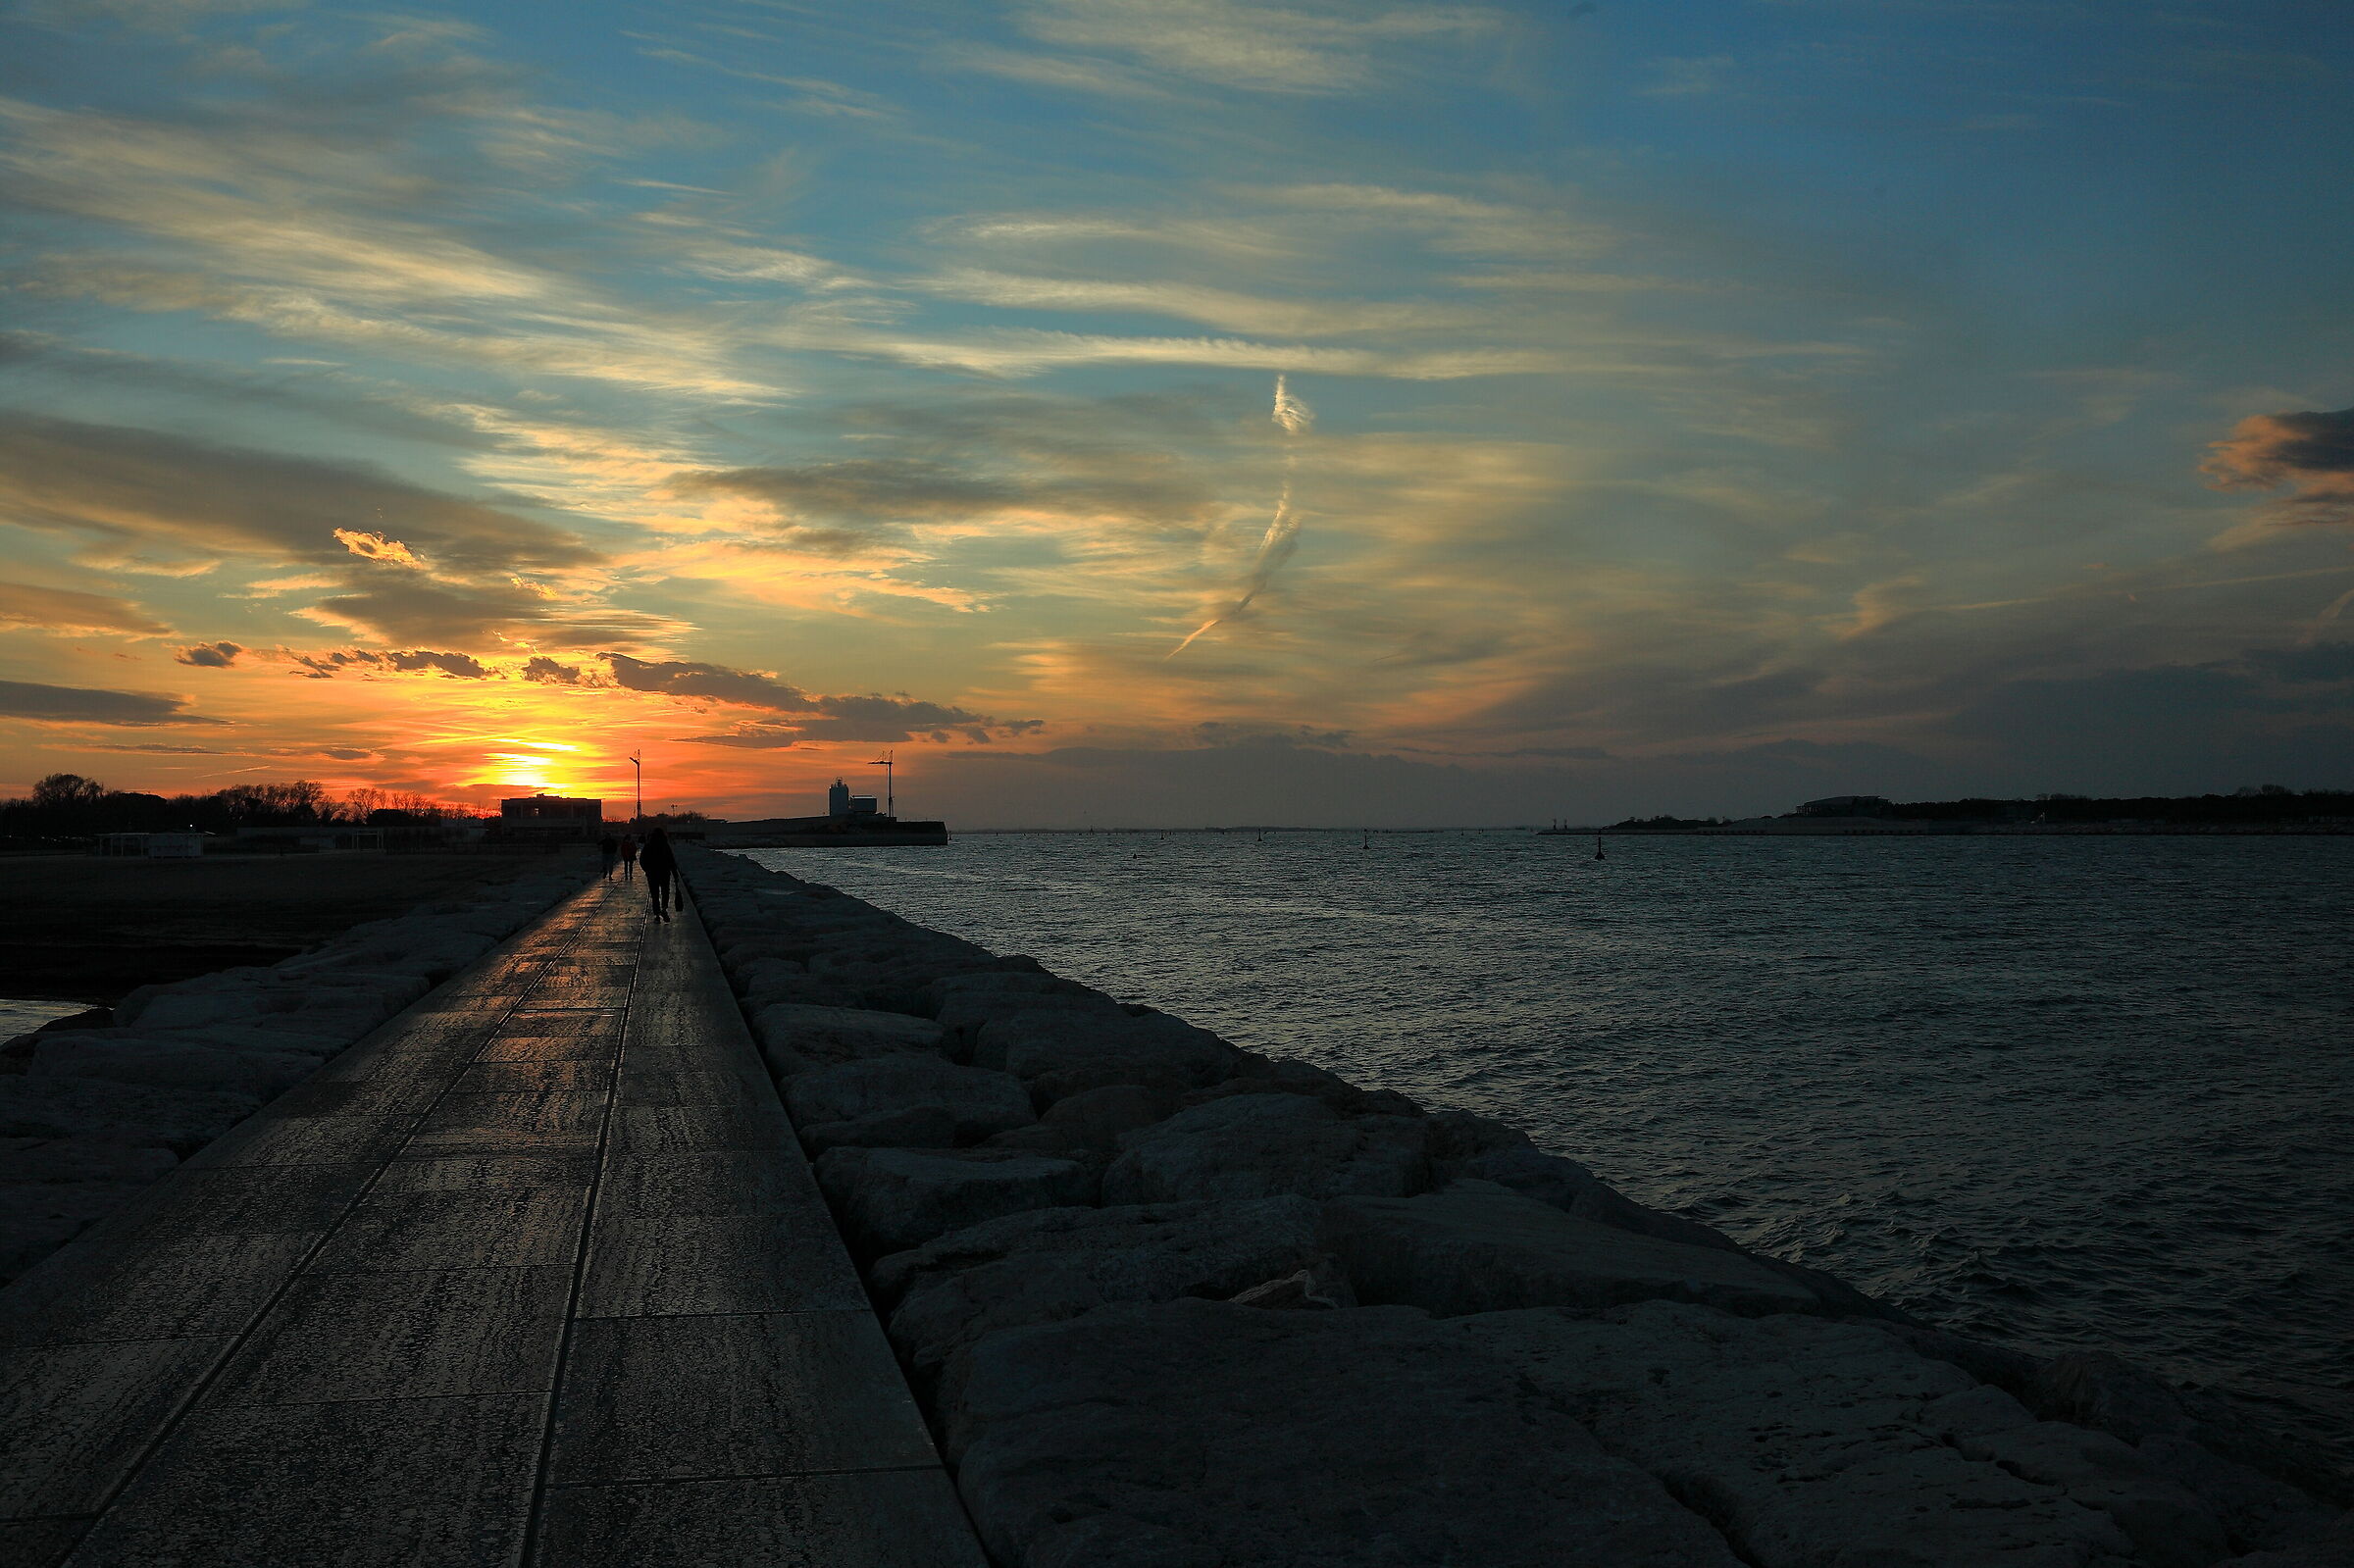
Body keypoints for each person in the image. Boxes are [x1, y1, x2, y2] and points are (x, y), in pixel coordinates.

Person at [640, 827, 678, 922]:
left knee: (655, 894)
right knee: (665, 892)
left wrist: (647, 870)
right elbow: (671, 860)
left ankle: (657, 915)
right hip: (664, 872)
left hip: (652, 874)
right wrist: (674, 873)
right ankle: (664, 909)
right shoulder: (665, 845)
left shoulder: (648, 845)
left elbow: (642, 859)